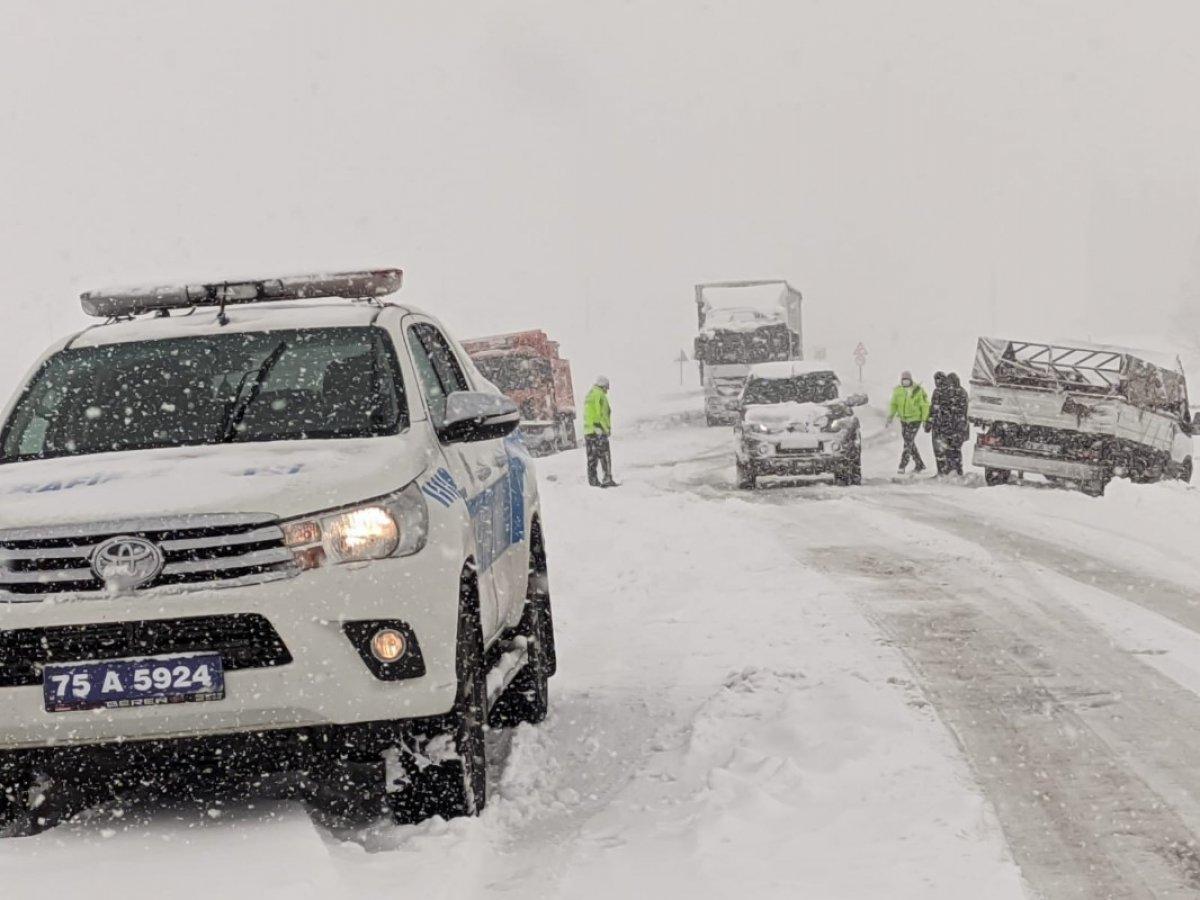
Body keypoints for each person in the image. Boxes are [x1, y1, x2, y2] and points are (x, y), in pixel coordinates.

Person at [887, 370, 930, 474]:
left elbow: (924, 406)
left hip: (915, 420)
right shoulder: (898, 391)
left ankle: (902, 465)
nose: (905, 382)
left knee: (908, 442)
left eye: (907, 380)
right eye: (903, 380)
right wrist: (890, 416)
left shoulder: (917, 390)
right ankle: (919, 464)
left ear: (911, 380)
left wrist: (925, 419)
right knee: (909, 442)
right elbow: (893, 404)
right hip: (904, 420)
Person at [927, 372, 970, 476]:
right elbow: (933, 408)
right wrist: (929, 420)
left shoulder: (953, 392)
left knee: (950, 451)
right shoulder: (940, 392)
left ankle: (951, 472)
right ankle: (950, 472)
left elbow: (959, 412)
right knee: (949, 451)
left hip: (951, 428)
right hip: (947, 428)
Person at [583, 375, 615, 487]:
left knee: (592, 457)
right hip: (598, 430)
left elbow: (588, 413)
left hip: (588, 431)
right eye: (607, 387)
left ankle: (593, 481)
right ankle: (607, 478)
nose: (608, 390)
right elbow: (602, 414)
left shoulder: (589, 394)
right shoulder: (600, 395)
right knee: (605, 455)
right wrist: (605, 429)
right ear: (603, 386)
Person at [927, 372, 949, 474]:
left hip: (945, 426)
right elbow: (932, 408)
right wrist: (928, 421)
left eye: (939, 379)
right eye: (936, 379)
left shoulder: (949, 391)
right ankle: (940, 471)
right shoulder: (936, 392)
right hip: (936, 425)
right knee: (937, 449)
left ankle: (945, 471)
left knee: (943, 449)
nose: (937, 381)